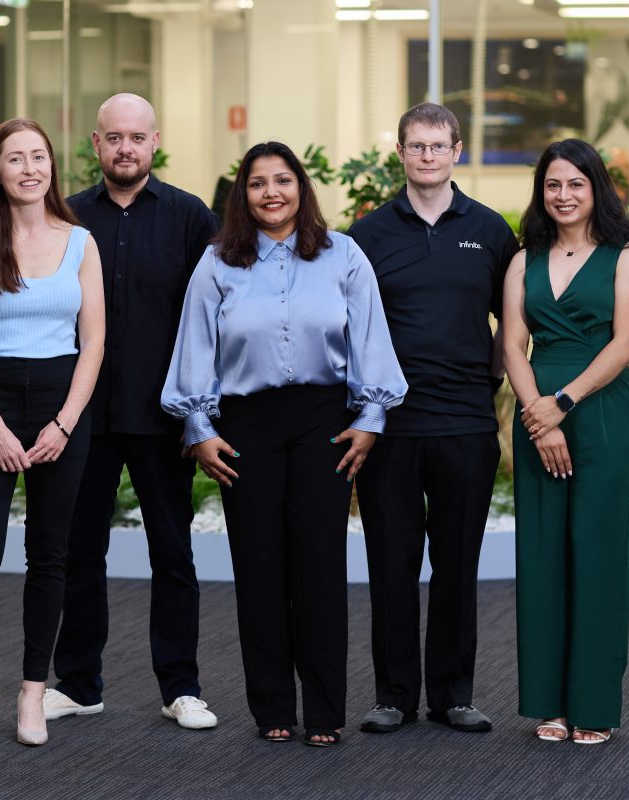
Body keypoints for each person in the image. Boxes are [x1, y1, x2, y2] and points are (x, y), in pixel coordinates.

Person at [161, 141, 406, 746]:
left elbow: (371, 336)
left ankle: (324, 712)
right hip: (246, 428)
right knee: (259, 565)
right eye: (257, 183)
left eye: (283, 181)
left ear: (302, 188)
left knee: (321, 565)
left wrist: (371, 418)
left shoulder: (343, 254)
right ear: (240, 195)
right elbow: (194, 345)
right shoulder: (218, 261)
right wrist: (201, 430)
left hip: (324, 421)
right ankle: (272, 707)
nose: (271, 192)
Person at [45, 94, 220, 731]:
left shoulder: (190, 218)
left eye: (137, 138)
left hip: (163, 416)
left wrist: (204, 412)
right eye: (114, 138)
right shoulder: (66, 217)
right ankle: (78, 683)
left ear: (155, 143)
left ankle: (181, 687)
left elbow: (212, 322)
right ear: (95, 143)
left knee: (172, 555)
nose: (126, 149)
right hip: (83, 416)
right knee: (78, 552)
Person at [0, 118, 105, 757]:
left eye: (39, 157)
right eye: (15, 158)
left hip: (62, 403)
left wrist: (63, 423)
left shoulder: (81, 242)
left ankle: (34, 691)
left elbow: (95, 344)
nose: (29, 168)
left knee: (50, 557)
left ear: (52, 167)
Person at [347, 102, 517, 735]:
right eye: (415, 147)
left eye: (437, 146)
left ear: (457, 151)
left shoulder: (492, 231)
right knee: (391, 565)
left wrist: (494, 375)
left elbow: (514, 317)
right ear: (400, 153)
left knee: (456, 565)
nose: (426, 156)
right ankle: (394, 694)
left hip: (466, 425)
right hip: (389, 428)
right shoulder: (367, 235)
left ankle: (453, 694)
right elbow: (351, 326)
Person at [502, 139, 629, 745]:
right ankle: (549, 703)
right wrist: (537, 415)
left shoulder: (627, 257)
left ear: (597, 189)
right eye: (553, 185)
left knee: (596, 555)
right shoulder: (523, 259)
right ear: (542, 193)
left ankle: (593, 704)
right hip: (538, 414)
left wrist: (561, 404)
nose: (563, 196)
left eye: (575, 184)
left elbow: (625, 345)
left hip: (598, 413)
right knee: (540, 558)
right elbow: (512, 344)